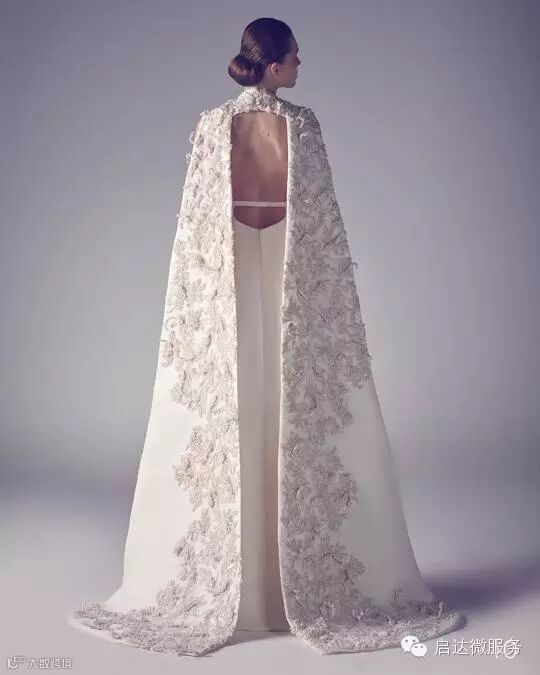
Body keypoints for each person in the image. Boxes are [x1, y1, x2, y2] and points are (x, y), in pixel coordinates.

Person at [67, 17, 466, 657]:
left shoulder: (211, 125)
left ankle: (254, 586)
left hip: (231, 270)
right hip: (285, 268)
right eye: (296, 57)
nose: (302, 65)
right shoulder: (302, 127)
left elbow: (196, 231)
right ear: (274, 65)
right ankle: (274, 588)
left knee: (243, 403)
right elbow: (322, 230)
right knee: (281, 403)